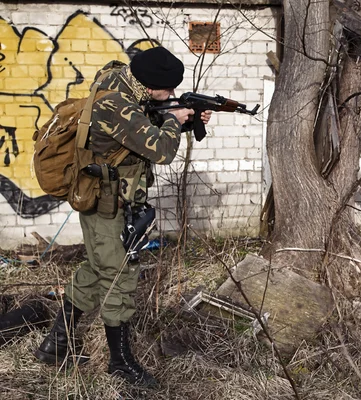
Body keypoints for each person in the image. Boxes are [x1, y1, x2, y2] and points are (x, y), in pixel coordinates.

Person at [34, 47, 212, 387]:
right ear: (150, 83)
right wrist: (175, 121)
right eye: (168, 89)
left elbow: (138, 132)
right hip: (106, 204)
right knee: (120, 277)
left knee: (96, 268)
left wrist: (184, 123)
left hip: (116, 200)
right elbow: (159, 150)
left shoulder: (123, 83)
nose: (171, 94)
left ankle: (55, 345)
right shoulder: (114, 102)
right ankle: (120, 363)